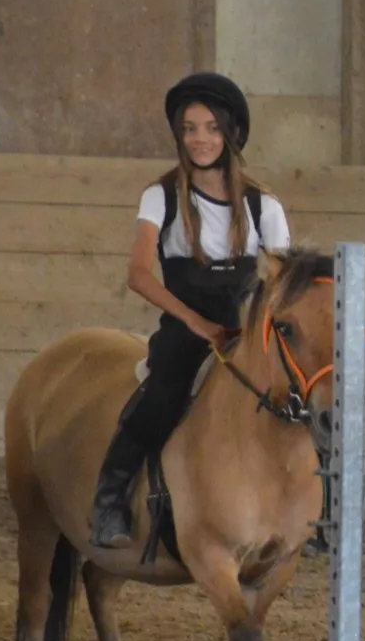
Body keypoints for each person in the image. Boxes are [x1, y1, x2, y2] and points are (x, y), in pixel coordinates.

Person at [89, 73, 290, 549]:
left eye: (212, 128)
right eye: (190, 129)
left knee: (302, 395)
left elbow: (283, 282)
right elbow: (139, 274)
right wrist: (197, 324)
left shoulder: (265, 206)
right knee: (162, 391)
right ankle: (110, 499)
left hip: (246, 326)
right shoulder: (160, 197)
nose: (201, 139)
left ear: (232, 134)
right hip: (186, 324)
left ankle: (313, 506)